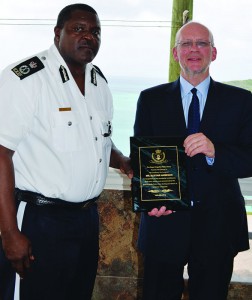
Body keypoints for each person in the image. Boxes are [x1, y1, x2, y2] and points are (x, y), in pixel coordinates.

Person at [0, 4, 132, 300]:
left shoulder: (99, 82)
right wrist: (9, 234)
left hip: (86, 220)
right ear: (58, 33)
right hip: (39, 219)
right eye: (79, 29)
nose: (89, 37)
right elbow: (1, 153)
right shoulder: (26, 78)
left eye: (96, 31)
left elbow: (99, 140)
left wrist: (121, 160)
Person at [133, 21, 252, 300]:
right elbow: (143, 160)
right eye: (186, 44)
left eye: (202, 43)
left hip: (218, 226)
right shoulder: (150, 99)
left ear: (214, 52)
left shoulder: (242, 101)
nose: (194, 49)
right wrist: (151, 201)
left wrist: (215, 151)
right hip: (164, 223)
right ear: (175, 53)